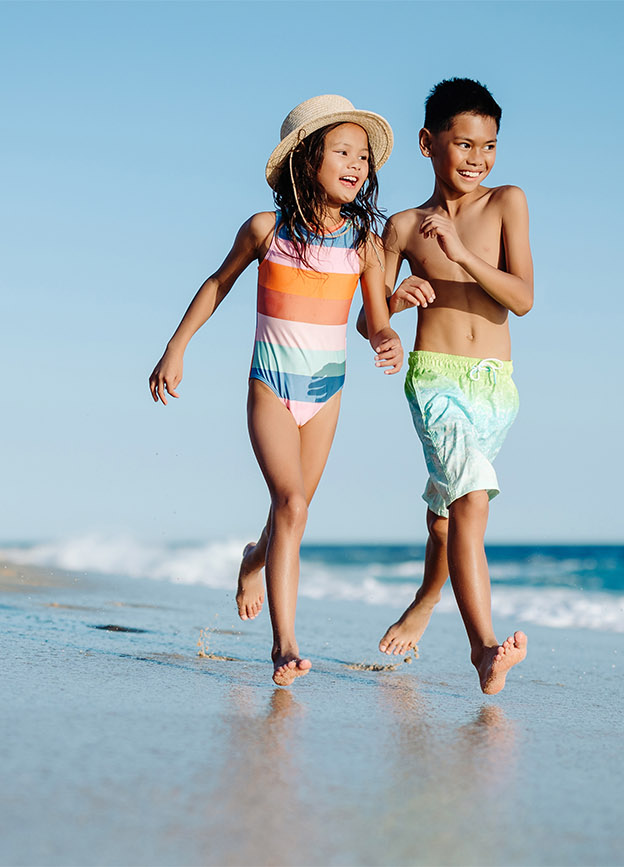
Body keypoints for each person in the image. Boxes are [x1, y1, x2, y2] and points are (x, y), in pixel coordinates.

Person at [150, 95, 404, 686]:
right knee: (290, 505)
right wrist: (176, 346)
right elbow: (218, 284)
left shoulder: (364, 244)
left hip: (327, 391)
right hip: (270, 384)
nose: (356, 164)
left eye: (363, 156)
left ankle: (252, 560)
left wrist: (388, 333)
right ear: (305, 158)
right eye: (341, 151)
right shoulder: (267, 230)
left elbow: (375, 319)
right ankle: (284, 645)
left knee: (294, 512)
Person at [359, 79, 534, 695]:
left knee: (445, 518)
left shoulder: (507, 202)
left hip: (497, 389)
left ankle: (426, 600)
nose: (477, 159)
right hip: (435, 381)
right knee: (472, 502)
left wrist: (462, 255)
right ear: (428, 143)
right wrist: (392, 309)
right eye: (463, 145)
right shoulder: (403, 227)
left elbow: (523, 298)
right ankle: (484, 649)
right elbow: (369, 313)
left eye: (488, 146)